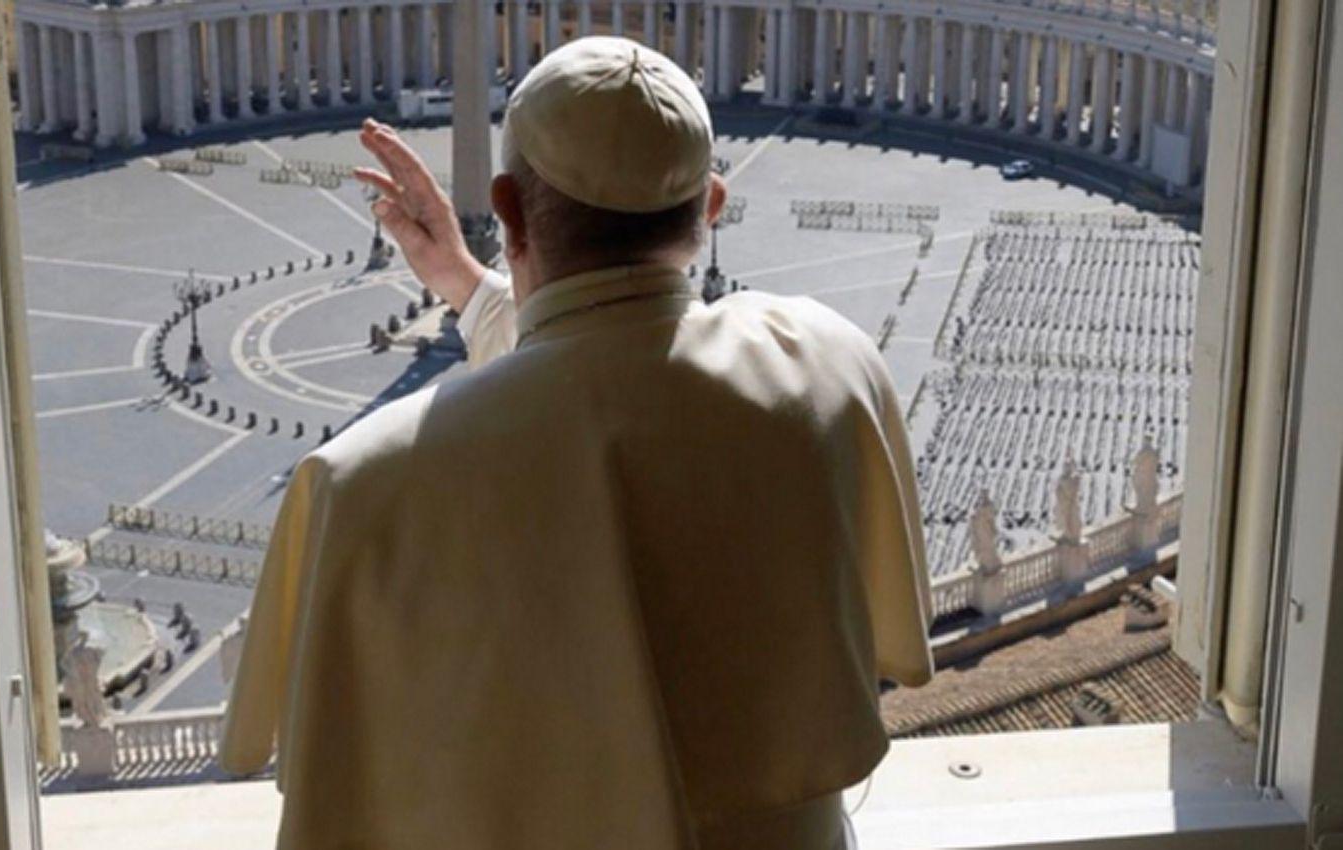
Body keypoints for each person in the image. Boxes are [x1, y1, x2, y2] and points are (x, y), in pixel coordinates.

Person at [221, 36, 933, 850]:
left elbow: (565, 392)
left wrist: (482, 281)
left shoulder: (358, 479)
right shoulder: (829, 363)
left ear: (508, 209)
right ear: (711, 206)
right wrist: (468, 285)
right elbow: (622, 368)